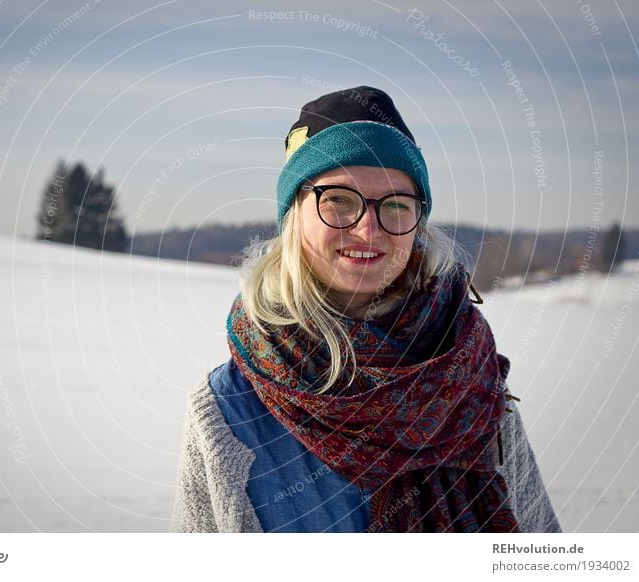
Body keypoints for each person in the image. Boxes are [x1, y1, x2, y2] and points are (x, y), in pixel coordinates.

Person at [171, 86, 561, 533]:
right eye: (338, 199)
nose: (367, 228)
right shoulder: (226, 410)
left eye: (396, 205)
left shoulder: (470, 377)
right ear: (294, 213)